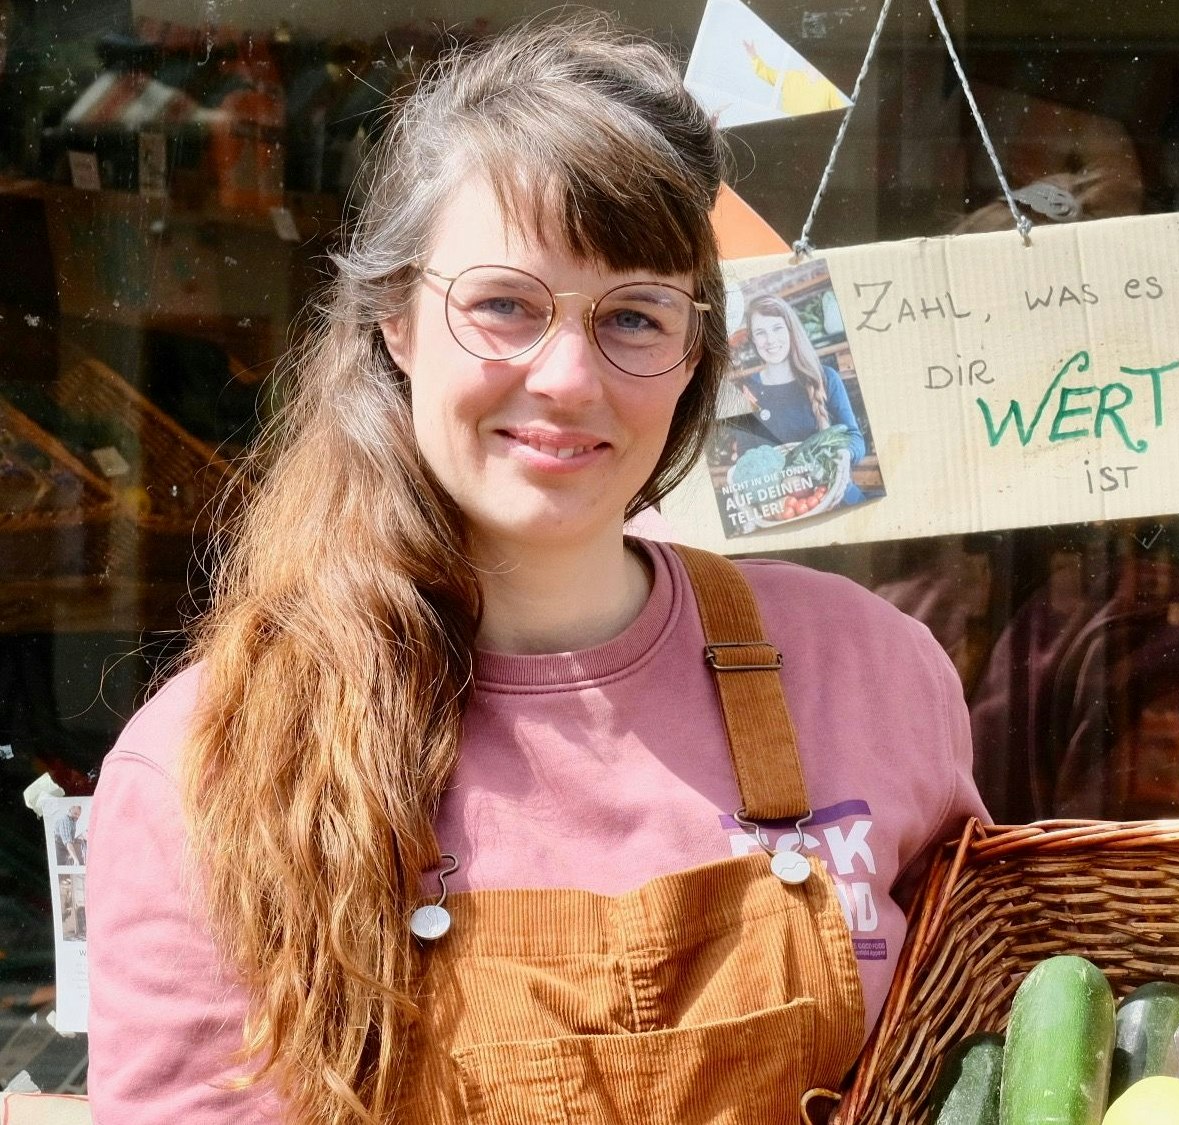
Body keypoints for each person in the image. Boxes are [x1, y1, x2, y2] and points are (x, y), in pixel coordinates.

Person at [85, 18, 983, 1124]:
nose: (566, 377)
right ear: (396, 320)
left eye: (633, 316)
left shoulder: (868, 670)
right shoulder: (210, 767)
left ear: (693, 353)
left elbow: (974, 1056)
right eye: (505, 304)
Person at [733, 293, 868, 505]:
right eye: (760, 333)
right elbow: (744, 456)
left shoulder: (826, 378)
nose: (770, 340)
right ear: (753, 340)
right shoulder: (746, 392)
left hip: (836, 497)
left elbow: (854, 438)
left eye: (777, 328)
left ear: (790, 330)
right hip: (786, 508)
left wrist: (844, 454)